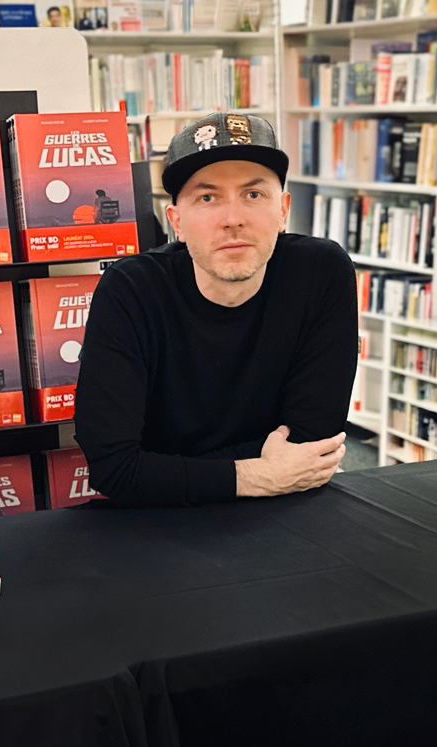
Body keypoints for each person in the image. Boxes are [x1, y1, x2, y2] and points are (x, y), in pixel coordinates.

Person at [74, 112, 356, 507]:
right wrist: (257, 474)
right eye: (208, 198)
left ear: (283, 210)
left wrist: (171, 471)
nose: (233, 220)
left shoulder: (320, 272)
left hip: (284, 512)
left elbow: (313, 442)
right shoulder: (131, 290)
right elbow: (114, 469)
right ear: (177, 222)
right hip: (161, 526)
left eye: (253, 195)